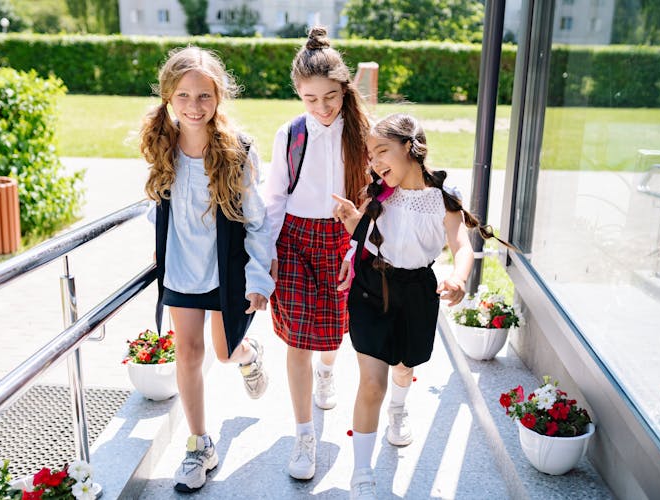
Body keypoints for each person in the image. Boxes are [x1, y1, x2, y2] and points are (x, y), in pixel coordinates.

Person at [333, 113, 509, 498]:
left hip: (415, 291)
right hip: (371, 288)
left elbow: (462, 244)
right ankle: (362, 473)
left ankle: (398, 409)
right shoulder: (378, 194)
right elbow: (367, 240)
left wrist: (459, 278)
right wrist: (352, 224)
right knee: (371, 382)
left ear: (409, 147)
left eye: (382, 151)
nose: (375, 162)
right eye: (370, 155)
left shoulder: (442, 198)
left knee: (403, 367)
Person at [141, 46, 274, 493]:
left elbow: (257, 223)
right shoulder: (161, 146)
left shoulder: (238, 152)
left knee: (224, 351)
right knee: (190, 354)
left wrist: (259, 278)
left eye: (203, 96)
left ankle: (248, 353)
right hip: (180, 271)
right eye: (183, 95)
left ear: (219, 97)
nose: (193, 106)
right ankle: (199, 445)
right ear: (167, 97)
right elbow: (159, 204)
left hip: (226, 274)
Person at [263, 26, 370, 480]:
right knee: (298, 340)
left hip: (342, 241)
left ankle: (329, 373)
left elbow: (373, 196)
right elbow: (274, 198)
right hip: (294, 242)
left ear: (344, 89)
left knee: (334, 333)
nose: (322, 108)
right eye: (311, 99)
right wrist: (265, 254)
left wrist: (357, 244)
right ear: (298, 94)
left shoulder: (363, 134)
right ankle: (304, 434)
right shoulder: (291, 135)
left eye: (330, 97)